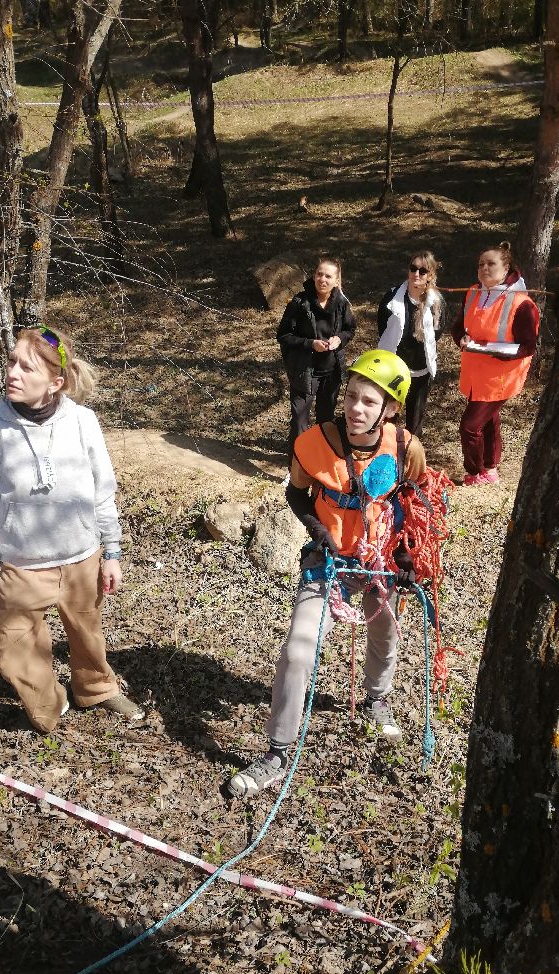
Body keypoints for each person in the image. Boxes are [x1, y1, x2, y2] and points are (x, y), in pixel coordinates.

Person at [228, 349, 426, 799]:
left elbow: (414, 500)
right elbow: (297, 494)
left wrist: (408, 556)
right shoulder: (315, 442)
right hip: (328, 560)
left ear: (390, 408)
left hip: (380, 559)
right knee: (299, 648)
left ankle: (376, 698)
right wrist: (317, 528)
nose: (356, 408)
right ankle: (278, 753)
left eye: (369, 401)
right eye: (351, 396)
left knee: (385, 634)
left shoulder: (406, 447)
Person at [0, 325, 144, 734]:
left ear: (55, 383)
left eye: (27, 368)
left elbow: (103, 491)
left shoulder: (82, 421)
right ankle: (51, 703)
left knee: (87, 634)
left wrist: (112, 552)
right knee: (14, 652)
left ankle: (96, 689)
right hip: (22, 566)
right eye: (12, 362)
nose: (12, 373)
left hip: (82, 558)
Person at [451, 240, 539, 485]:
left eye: (491, 264)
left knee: (470, 426)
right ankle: (489, 468)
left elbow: (528, 345)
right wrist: (462, 339)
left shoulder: (522, 303)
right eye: (481, 264)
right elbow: (458, 328)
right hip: (475, 373)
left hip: (500, 377)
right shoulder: (473, 292)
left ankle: (474, 473)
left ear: (506, 268)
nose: (484, 268)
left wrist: (501, 352)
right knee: (489, 421)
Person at [277, 254, 357, 462]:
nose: (322, 279)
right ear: (313, 276)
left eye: (328, 276)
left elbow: (350, 329)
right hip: (304, 372)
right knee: (300, 422)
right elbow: (284, 336)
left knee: (326, 422)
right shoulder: (300, 302)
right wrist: (310, 344)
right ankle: (296, 467)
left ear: (336, 280)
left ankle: (321, 464)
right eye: (319, 274)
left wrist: (339, 339)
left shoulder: (341, 303)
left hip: (331, 372)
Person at [377, 250, 446, 437]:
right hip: (394, 370)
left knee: (414, 425)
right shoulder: (391, 298)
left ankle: (410, 452)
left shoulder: (437, 302)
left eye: (422, 271)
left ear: (430, 275)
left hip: (420, 371)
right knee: (388, 420)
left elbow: (437, 332)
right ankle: (387, 451)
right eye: (413, 268)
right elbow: (382, 328)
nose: (416, 274)